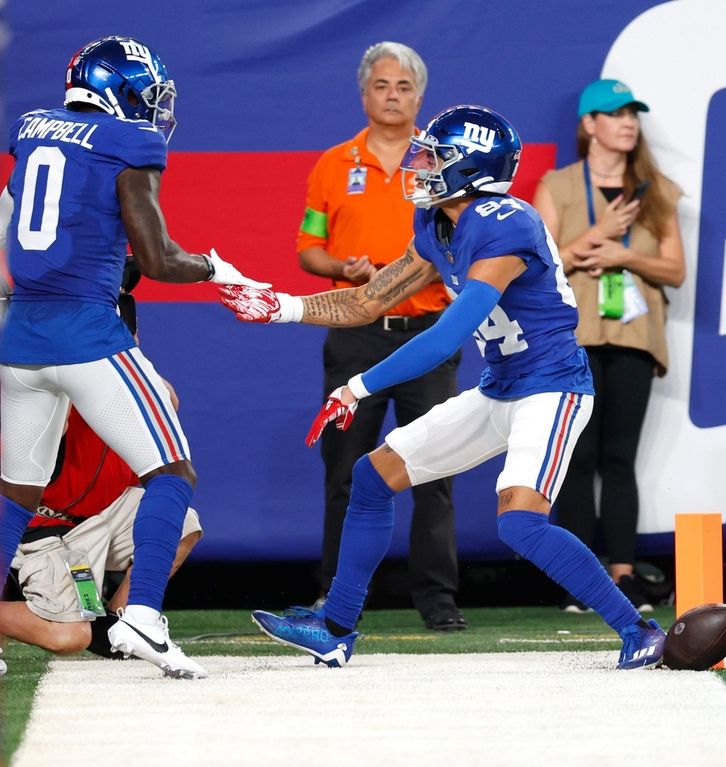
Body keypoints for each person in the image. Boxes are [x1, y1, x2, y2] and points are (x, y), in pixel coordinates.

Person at [220, 104, 668, 670]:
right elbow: (367, 299)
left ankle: (638, 628)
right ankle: (335, 626)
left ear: (471, 168)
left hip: (551, 388)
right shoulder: (437, 224)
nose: (421, 165)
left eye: (434, 156)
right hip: (501, 385)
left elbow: (446, 335)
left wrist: (356, 387)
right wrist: (280, 307)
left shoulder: (507, 223)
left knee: (520, 522)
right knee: (373, 475)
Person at [0, 35, 266, 679]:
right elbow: (156, 259)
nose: (153, 112)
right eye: (146, 96)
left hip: (19, 335)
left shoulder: (31, 128)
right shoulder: (131, 142)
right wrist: (214, 267)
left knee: (14, 492)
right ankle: (142, 616)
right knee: (172, 472)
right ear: (114, 88)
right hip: (86, 332)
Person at [295, 42, 464, 631]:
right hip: (356, 337)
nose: (393, 95)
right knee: (344, 472)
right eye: (382, 85)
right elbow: (309, 247)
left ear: (420, 96)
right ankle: (335, 600)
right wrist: (343, 269)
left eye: (404, 86)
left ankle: (439, 603)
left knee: (434, 471)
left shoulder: (440, 165)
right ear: (363, 93)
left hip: (429, 336)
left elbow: (467, 237)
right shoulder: (332, 165)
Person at [532, 78, 685, 613]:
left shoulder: (655, 189)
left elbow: (676, 270)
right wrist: (597, 239)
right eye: (615, 114)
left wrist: (626, 256)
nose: (628, 123)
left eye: (632, 115)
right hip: (571, 336)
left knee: (620, 458)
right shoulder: (557, 186)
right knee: (576, 456)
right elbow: (538, 263)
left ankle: (622, 575)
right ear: (589, 125)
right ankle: (582, 580)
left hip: (634, 336)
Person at [0, 260, 201, 666]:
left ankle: (121, 626)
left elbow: (170, 400)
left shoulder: (122, 361)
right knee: (68, 635)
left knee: (182, 524)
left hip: (106, 512)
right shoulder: (44, 367)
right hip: (50, 527)